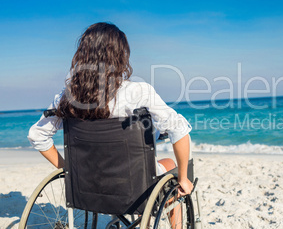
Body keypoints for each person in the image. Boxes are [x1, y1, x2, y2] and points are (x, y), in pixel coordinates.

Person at [27, 22, 194, 196]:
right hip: (134, 186)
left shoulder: (67, 97)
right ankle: (177, 222)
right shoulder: (138, 92)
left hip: (87, 183)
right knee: (171, 167)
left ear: (83, 55)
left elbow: (37, 135)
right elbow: (179, 130)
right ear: (120, 56)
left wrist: (67, 170)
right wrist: (183, 177)